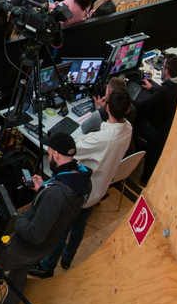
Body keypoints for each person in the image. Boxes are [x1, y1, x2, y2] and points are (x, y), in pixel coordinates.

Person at [32, 89, 133, 278]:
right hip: (99, 189)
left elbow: (70, 150)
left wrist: (97, 113)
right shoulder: (128, 129)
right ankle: (68, 259)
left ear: (107, 107)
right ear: (127, 111)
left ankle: (47, 266)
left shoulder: (100, 139)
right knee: (79, 226)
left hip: (82, 191)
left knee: (61, 229)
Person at [0, 134, 91, 304]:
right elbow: (59, 208)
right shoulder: (83, 180)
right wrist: (42, 188)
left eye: (49, 152)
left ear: (57, 155)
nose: (47, 154)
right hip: (44, 248)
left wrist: (15, 217)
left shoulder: (55, 195)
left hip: (25, 247)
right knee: (18, 278)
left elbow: (35, 234)